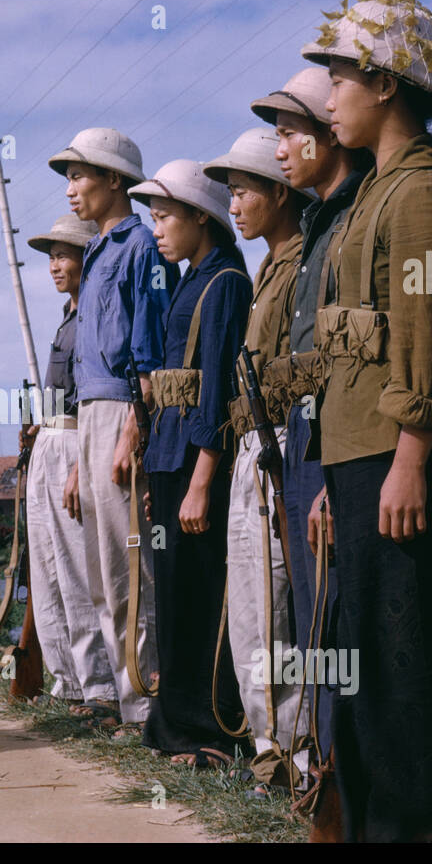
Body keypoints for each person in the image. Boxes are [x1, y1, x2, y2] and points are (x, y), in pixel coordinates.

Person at [301, 0, 432, 841]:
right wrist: (333, 477)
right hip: (364, 462)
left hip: (404, 459)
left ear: (385, 84)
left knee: (412, 674)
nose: (326, 93)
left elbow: (426, 338)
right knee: (368, 671)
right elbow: (354, 356)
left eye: (338, 74)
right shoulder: (372, 195)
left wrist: (409, 459)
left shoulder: (420, 197)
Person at [249, 67, 371, 771]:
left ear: (330, 135)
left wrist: (326, 464)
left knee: (332, 613)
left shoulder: (350, 217)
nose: (281, 147)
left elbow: (346, 358)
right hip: (301, 437)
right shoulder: (324, 219)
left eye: (291, 132)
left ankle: (336, 768)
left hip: (332, 441)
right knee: (308, 612)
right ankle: (323, 766)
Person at [49, 128, 180, 736]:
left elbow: (150, 354)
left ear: (115, 182)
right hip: (94, 418)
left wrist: (136, 429)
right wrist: (80, 454)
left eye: (81, 176)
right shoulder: (100, 250)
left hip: (127, 411)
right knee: (104, 570)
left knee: (133, 570)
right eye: (70, 177)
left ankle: (148, 704)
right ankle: (127, 705)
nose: (72, 189)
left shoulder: (140, 249)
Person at [125, 160, 253, 768]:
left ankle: (209, 733)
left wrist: (201, 481)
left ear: (201, 216)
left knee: (201, 596)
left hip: (199, 465)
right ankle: (173, 724)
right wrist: (158, 470)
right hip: (172, 460)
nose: (156, 229)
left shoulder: (224, 281)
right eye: (152, 217)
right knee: (172, 596)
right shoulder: (189, 279)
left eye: (165, 216)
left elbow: (218, 389)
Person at [204, 128, 315, 792]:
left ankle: (295, 757)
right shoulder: (270, 265)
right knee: (252, 610)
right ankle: (268, 748)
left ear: (279, 193)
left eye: (243, 190)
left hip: (279, 447)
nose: (234, 204)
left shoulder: (301, 261)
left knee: (277, 609)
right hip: (254, 446)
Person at [21, 213, 119, 715]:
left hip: (78, 444)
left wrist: (79, 461)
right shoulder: (66, 317)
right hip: (51, 441)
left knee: (80, 567)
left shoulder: (94, 317)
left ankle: (99, 684)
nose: (55, 265)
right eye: (52, 256)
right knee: (47, 567)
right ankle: (68, 681)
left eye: (64, 254)